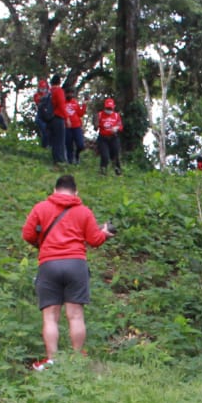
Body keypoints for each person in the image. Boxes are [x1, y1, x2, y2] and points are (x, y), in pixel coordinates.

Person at [21, 174, 113, 370]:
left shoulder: (41, 208)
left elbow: (28, 234)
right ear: (76, 192)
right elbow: (94, 240)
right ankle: (77, 357)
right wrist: (104, 233)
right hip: (76, 264)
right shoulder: (83, 212)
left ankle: (52, 360)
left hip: (49, 264)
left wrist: (42, 244)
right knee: (76, 315)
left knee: (50, 316)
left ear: (55, 190)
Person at [95, 98, 123, 173]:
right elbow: (95, 127)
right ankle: (103, 171)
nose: (109, 110)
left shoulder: (117, 115)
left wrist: (116, 128)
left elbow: (121, 127)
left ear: (113, 107)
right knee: (105, 156)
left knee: (116, 154)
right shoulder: (100, 114)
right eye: (107, 108)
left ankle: (118, 170)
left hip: (113, 138)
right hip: (103, 138)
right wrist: (96, 124)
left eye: (110, 108)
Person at [47, 76, 68, 164]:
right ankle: (60, 160)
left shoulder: (49, 92)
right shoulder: (59, 91)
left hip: (50, 118)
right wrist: (67, 118)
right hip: (58, 117)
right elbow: (61, 105)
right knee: (60, 140)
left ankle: (55, 159)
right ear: (59, 82)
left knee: (55, 141)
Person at [65, 94, 86, 164]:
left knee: (81, 145)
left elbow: (80, 114)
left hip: (77, 126)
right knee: (69, 145)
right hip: (67, 127)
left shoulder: (75, 102)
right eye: (69, 92)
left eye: (71, 93)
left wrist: (84, 105)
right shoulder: (62, 102)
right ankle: (70, 162)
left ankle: (77, 155)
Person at [32, 78, 51, 145]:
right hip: (40, 116)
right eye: (41, 88)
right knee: (44, 130)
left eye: (44, 88)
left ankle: (49, 145)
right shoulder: (36, 95)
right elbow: (39, 102)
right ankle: (45, 146)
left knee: (50, 132)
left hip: (48, 115)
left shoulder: (49, 94)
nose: (43, 90)